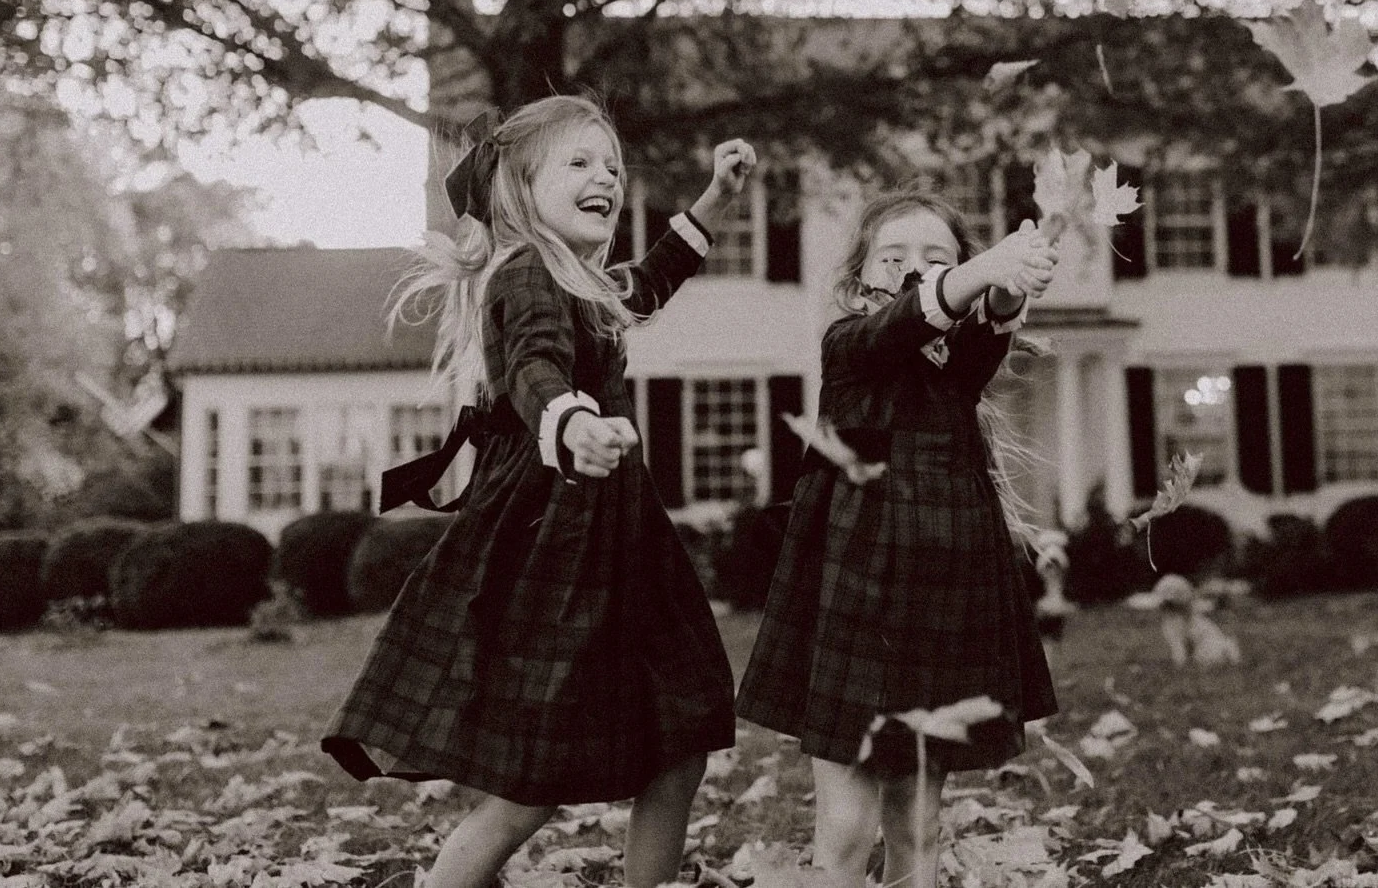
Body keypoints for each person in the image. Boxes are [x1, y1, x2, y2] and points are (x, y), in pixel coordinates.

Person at [321, 95, 757, 888]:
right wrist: (571, 424)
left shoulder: (581, 279)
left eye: (614, 166)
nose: (607, 179)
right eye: (581, 163)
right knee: (530, 786)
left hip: (623, 547)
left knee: (683, 737)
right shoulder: (524, 273)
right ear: (521, 190)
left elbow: (653, 279)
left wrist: (717, 198)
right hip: (553, 544)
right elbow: (533, 365)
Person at [736, 187, 1060, 888]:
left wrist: (1009, 284)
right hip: (856, 595)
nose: (914, 268)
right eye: (894, 256)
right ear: (859, 279)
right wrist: (982, 268)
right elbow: (908, 321)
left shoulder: (956, 365)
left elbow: (983, 330)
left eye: (936, 256)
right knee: (847, 830)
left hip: (943, 598)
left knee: (918, 825)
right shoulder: (851, 344)